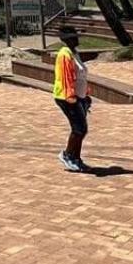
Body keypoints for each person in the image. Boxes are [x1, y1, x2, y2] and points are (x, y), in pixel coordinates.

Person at [52, 28, 92, 174]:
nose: (77, 40)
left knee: (81, 129)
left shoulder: (74, 53)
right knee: (79, 128)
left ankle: (76, 158)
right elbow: (65, 77)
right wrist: (71, 97)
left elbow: (80, 75)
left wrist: (85, 94)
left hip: (78, 97)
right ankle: (68, 155)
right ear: (67, 40)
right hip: (67, 98)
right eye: (73, 38)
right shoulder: (64, 54)